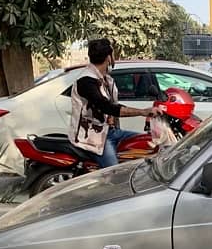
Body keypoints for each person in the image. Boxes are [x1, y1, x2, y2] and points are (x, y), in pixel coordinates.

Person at [69, 38, 160, 168]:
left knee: (147, 143)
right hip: (94, 137)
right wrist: (142, 112)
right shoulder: (86, 81)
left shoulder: (105, 78)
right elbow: (107, 106)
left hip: (111, 132)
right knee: (115, 173)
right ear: (108, 57)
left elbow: (110, 105)